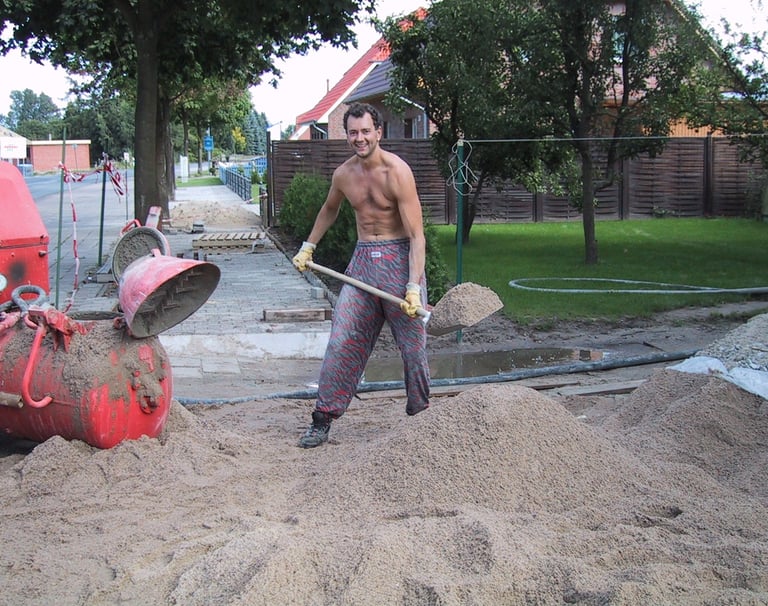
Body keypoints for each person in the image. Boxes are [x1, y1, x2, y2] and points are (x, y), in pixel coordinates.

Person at [292, 102, 431, 448]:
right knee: (342, 340)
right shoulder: (343, 175)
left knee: (413, 348)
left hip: (400, 262)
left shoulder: (397, 172)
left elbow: (417, 236)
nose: (359, 138)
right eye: (353, 132)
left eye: (365, 131)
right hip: (364, 264)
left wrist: (413, 285)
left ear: (378, 132)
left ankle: (420, 415)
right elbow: (329, 209)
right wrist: (308, 246)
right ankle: (322, 418)